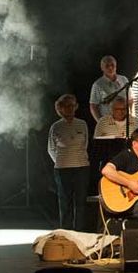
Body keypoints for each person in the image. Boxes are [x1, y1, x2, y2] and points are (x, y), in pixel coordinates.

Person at [48, 94, 89, 231]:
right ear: (60, 108)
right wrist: (62, 162)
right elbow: (51, 149)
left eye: (72, 105)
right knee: (65, 203)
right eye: (66, 106)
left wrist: (78, 158)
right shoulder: (56, 126)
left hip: (82, 167)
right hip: (62, 169)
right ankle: (66, 232)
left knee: (81, 202)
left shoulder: (82, 124)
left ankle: (80, 231)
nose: (70, 109)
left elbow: (85, 144)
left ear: (76, 106)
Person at [89, 55, 128, 122]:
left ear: (116, 66)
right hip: (108, 121)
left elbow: (130, 100)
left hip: (124, 121)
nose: (110, 67)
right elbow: (93, 106)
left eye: (112, 65)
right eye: (107, 66)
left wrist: (131, 117)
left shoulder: (124, 80)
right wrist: (100, 122)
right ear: (102, 68)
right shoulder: (97, 84)